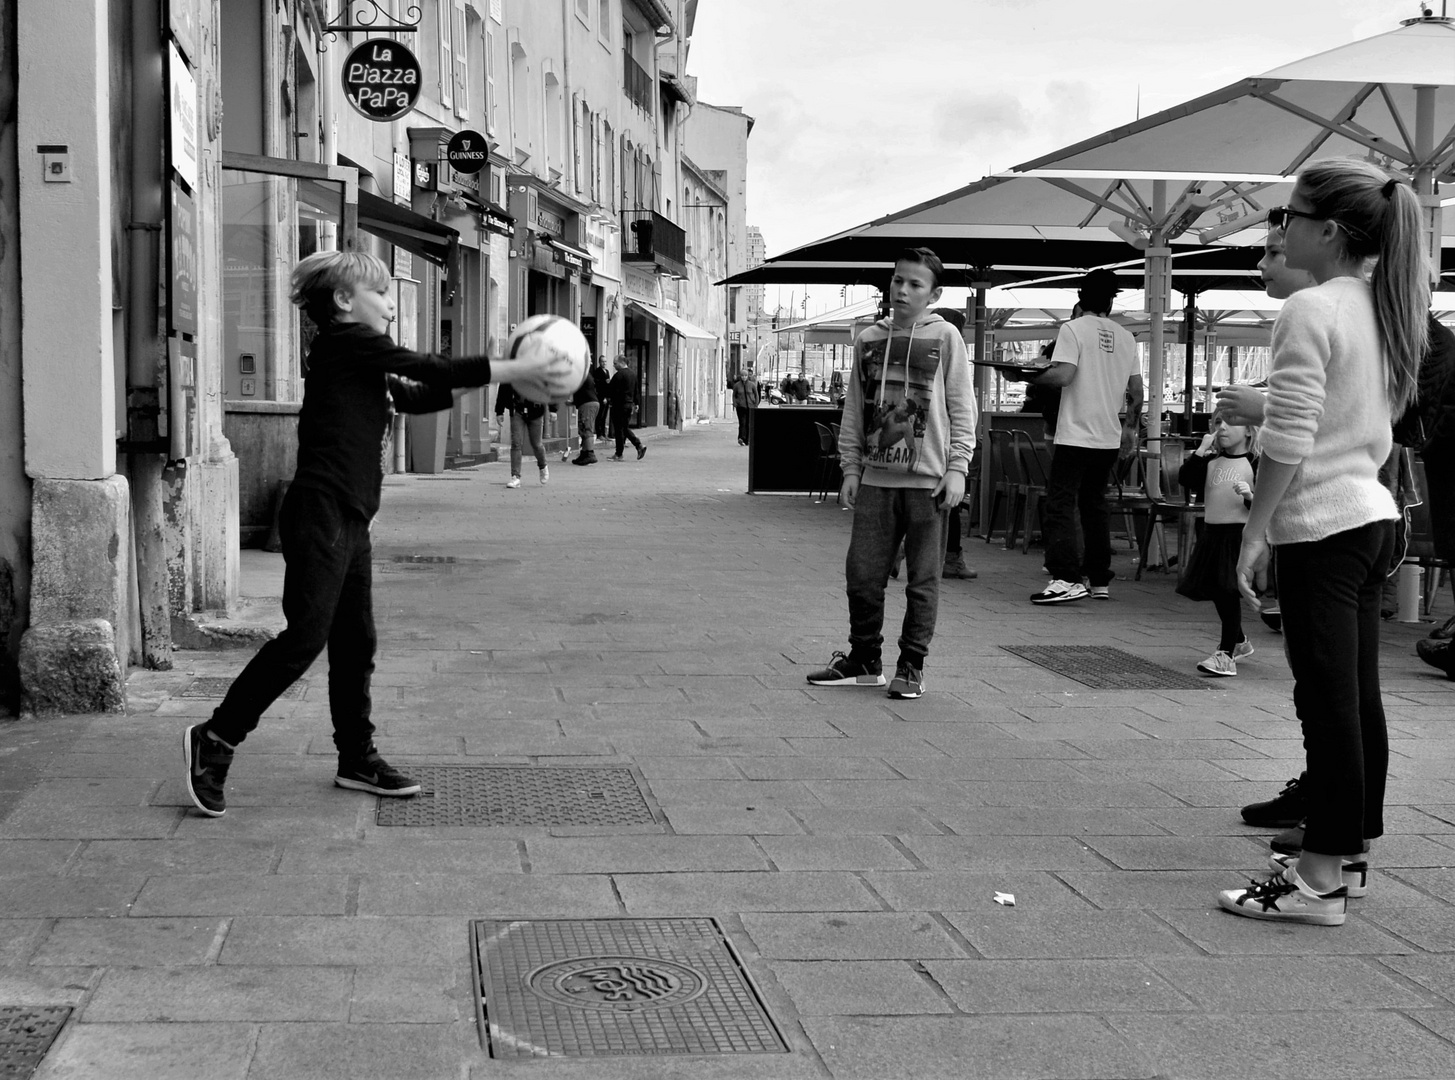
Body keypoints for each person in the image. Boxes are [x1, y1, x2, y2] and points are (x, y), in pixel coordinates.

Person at [182, 251, 575, 817]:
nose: (392, 304)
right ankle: (215, 739)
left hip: (349, 518)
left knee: (354, 643)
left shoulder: (358, 360)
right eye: (383, 294)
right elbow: (427, 369)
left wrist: (479, 371)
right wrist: (513, 369)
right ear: (345, 302)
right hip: (322, 513)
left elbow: (418, 394)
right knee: (303, 640)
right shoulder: (347, 343)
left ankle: (356, 759)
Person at [1216, 159, 1427, 926]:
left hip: (1325, 526)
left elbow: (1291, 434)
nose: (1280, 228)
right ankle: (1346, 854)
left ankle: (1318, 879)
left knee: (1328, 700)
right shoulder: (1381, 303)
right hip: (1370, 520)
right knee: (1353, 697)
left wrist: (1254, 529)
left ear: (1327, 231)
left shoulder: (1308, 307)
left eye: (1290, 216)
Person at [805, 247, 976, 699]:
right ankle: (864, 658)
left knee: (924, 580)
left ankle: (911, 665)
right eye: (897, 280)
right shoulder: (868, 339)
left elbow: (962, 406)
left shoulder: (946, 338)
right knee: (861, 574)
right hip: (877, 480)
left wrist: (958, 468)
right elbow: (854, 411)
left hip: (929, 482)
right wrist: (850, 468)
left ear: (934, 294)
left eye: (914, 284)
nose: (901, 289)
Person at [1017, 269, 1142, 604]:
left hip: (1075, 433)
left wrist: (1023, 376)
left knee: (1059, 503)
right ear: (1111, 299)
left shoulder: (1072, 329)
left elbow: (1064, 375)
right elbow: (1137, 392)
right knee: (1094, 505)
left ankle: (1066, 577)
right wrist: (1130, 428)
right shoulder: (1127, 337)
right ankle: (1099, 578)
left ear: (1080, 295)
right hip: (1108, 436)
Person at [1176, 417, 1259, 676]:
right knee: (1218, 589)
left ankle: (1226, 654)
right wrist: (1201, 450)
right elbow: (1186, 479)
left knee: (1227, 590)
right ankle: (1239, 641)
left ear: (1248, 430)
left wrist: (1249, 497)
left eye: (1230, 423)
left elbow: (1265, 508)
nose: (1222, 428)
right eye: (1218, 422)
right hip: (1211, 532)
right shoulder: (1211, 462)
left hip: (1237, 535)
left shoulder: (1257, 463)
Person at [931, 306, 977, 580]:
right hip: (950, 449)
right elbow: (965, 409)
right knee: (952, 504)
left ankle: (903, 549)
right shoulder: (953, 355)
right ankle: (951, 559)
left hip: (927, 450)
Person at [493, 383, 555, 487]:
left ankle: (543, 465)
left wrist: (553, 409)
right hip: (517, 409)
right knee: (516, 443)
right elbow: (504, 387)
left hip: (536, 410)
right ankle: (515, 477)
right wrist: (499, 411)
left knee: (536, 444)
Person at [608, 355, 646, 460]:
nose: (614, 366)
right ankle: (636, 447)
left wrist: (609, 397)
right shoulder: (633, 374)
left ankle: (621, 452)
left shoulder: (618, 375)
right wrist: (636, 403)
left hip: (619, 405)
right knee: (624, 428)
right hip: (629, 405)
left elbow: (612, 390)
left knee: (620, 429)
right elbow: (636, 390)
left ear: (621, 363)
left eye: (615, 364)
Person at [571, 360, 600, 466]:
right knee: (583, 428)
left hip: (588, 403)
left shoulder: (581, 375)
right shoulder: (585, 375)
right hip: (588, 403)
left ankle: (590, 454)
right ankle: (584, 453)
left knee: (587, 428)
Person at [730, 364, 760, 445]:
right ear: (740, 376)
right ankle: (741, 438)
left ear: (747, 376)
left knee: (749, 423)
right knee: (742, 423)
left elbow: (756, 394)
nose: (744, 377)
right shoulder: (737, 385)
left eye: (745, 375)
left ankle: (748, 440)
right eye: (742, 375)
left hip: (750, 407)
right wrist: (735, 403)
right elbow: (734, 395)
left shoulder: (752, 385)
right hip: (740, 407)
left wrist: (756, 404)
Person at [591, 356, 612, 440]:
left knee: (604, 416)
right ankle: (599, 433)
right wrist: (603, 397)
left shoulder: (607, 371)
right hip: (600, 396)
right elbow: (597, 384)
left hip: (607, 396)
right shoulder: (597, 371)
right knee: (600, 415)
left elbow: (608, 385)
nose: (604, 363)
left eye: (605, 362)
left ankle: (604, 433)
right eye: (603, 362)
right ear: (599, 362)